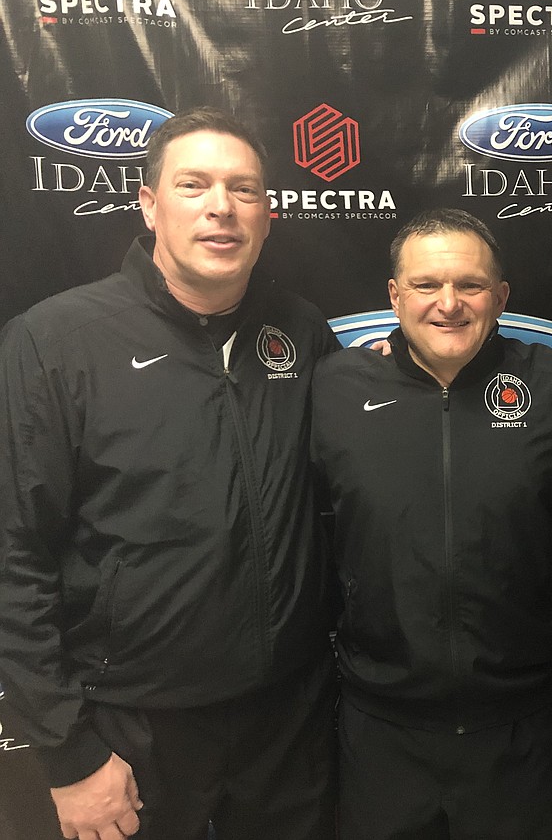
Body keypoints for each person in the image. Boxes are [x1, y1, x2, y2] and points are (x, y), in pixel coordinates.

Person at [0, 107, 339, 840]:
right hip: (131, 730)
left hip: (286, 725)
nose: (222, 206)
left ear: (269, 214)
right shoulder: (57, 342)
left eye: (244, 189)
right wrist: (68, 752)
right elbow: (12, 554)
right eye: (195, 184)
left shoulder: (303, 333)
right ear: (150, 204)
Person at [310, 208, 552, 840]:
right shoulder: (334, 388)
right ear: (394, 295)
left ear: (500, 296)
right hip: (381, 723)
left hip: (517, 725)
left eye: (469, 285)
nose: (448, 304)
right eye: (425, 286)